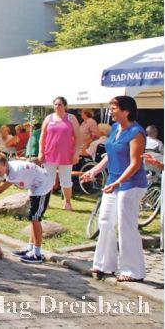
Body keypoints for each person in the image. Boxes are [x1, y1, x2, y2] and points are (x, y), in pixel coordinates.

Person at [81, 96, 148, 282]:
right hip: (113, 182)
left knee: (126, 226)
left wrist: (118, 182)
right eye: (110, 107)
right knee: (104, 220)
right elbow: (110, 154)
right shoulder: (116, 128)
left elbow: (135, 164)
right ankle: (104, 264)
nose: (111, 111)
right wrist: (94, 170)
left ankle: (133, 271)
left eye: (114, 108)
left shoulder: (136, 133)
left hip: (131, 185)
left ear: (126, 111)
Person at [0, 152, 53, 264]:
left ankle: (37, 253)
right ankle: (30, 247)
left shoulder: (15, 171)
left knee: (35, 218)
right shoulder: (5, 169)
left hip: (43, 185)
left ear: (5, 164)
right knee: (32, 218)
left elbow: (0, 190)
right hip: (34, 186)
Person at [39, 96, 82, 211]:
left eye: (60, 104)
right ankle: (46, 202)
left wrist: (76, 154)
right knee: (48, 180)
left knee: (66, 181)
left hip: (66, 154)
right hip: (49, 154)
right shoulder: (48, 118)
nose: (57, 106)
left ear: (65, 106)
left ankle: (67, 203)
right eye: (55, 104)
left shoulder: (71, 118)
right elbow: (42, 136)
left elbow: (78, 137)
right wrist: (40, 152)